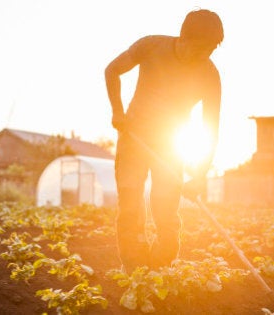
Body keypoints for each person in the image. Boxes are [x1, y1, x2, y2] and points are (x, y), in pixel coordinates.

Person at [104, 8, 223, 272]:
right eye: (202, 49)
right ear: (185, 38)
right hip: (133, 137)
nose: (206, 56)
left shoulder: (209, 75)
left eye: (211, 51)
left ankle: (160, 267)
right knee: (130, 201)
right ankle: (134, 266)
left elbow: (211, 126)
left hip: (170, 146)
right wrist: (117, 111)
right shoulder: (151, 46)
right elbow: (112, 70)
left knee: (166, 208)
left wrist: (200, 174)